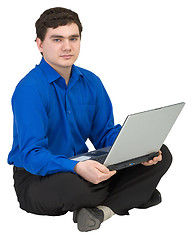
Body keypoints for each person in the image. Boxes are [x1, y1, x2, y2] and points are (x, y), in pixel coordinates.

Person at [8, 7, 172, 232]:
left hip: (84, 162)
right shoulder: (29, 90)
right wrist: (76, 168)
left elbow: (104, 133)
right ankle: (134, 194)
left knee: (161, 154)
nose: (67, 47)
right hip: (38, 177)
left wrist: (136, 147)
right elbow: (31, 155)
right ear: (40, 44)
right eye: (57, 39)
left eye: (73, 38)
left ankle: (103, 210)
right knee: (83, 187)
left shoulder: (91, 82)